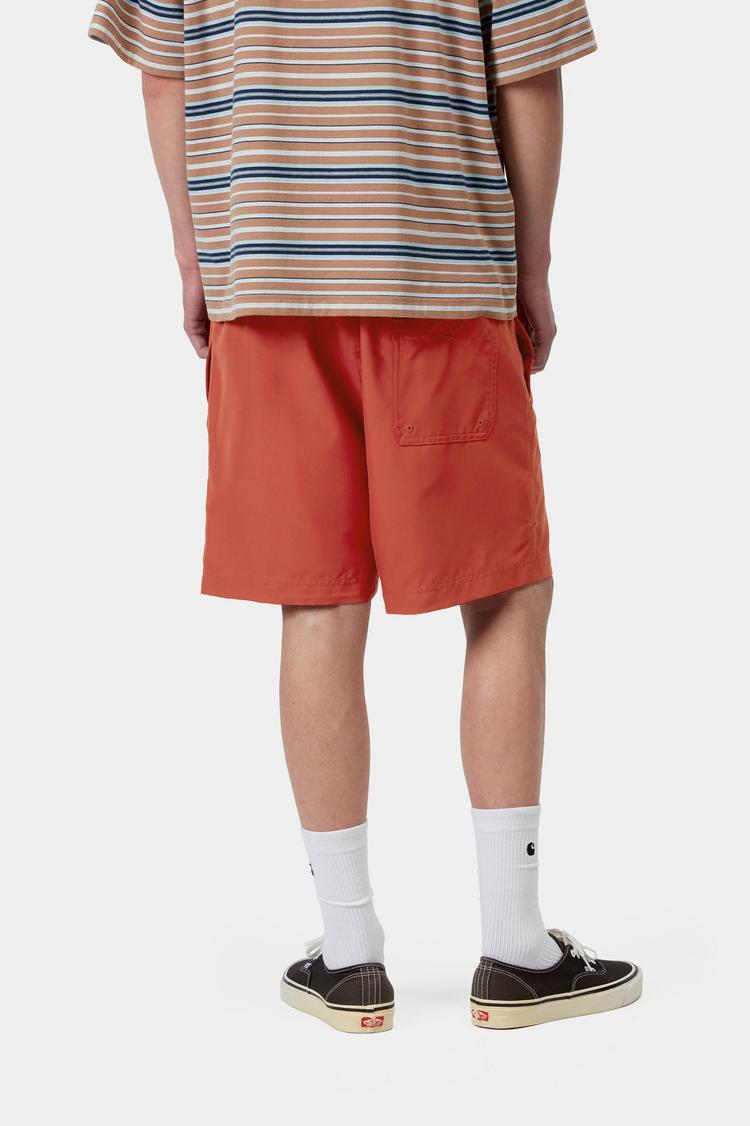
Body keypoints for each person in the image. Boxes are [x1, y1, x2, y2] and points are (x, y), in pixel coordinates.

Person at [89, 0, 641, 1033]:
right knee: (504, 592)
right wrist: (531, 266)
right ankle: (515, 949)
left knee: (317, 600)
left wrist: (195, 258)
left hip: (267, 280)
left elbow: (164, 71)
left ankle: (349, 961)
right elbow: (526, 69)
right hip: (441, 268)